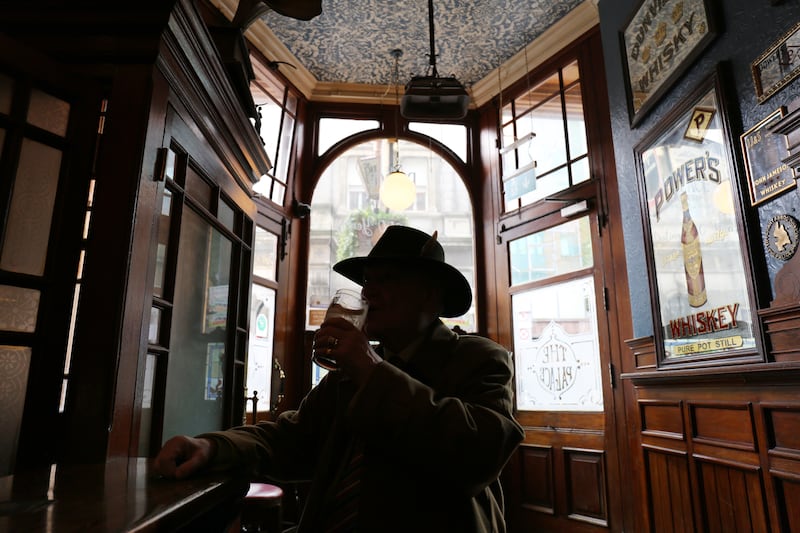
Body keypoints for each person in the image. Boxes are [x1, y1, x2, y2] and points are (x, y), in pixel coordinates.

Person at [155, 225, 524, 533]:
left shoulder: (479, 359)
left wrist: (372, 370)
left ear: (431, 296)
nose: (367, 292)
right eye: (367, 281)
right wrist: (212, 447)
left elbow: (480, 454)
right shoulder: (351, 375)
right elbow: (291, 437)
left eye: (387, 279)